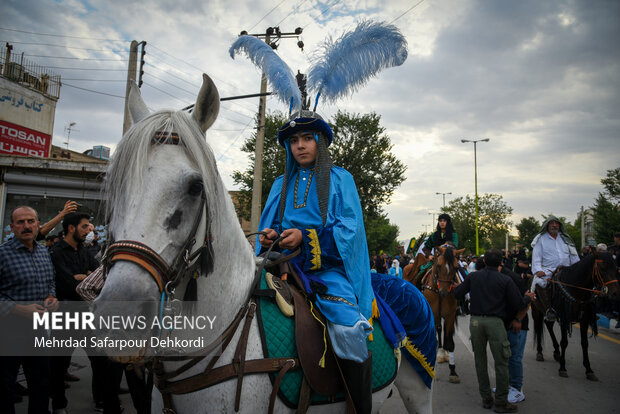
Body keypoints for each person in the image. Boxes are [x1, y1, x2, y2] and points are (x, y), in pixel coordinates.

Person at [257, 110, 373, 413]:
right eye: (293, 140)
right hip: (281, 268)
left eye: (307, 138)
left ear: (320, 142)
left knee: (348, 330)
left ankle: (359, 408)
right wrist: (271, 237)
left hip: (328, 271)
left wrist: (307, 238)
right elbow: (271, 229)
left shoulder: (340, 179)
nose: (300, 145)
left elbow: (350, 232)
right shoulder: (280, 184)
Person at [454, 249, 535, 413]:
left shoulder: (473, 276)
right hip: (496, 323)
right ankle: (501, 402)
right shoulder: (505, 280)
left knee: (480, 360)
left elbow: (457, 293)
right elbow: (519, 304)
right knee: (501, 362)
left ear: (484, 262)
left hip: (476, 322)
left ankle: (485, 398)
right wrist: (528, 297)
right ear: (502, 263)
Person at [0, 206, 59, 414]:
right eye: (20, 222)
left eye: (31, 221)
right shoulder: (3, 254)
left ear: (38, 224)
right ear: (12, 227)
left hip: (39, 329)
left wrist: (52, 297)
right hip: (9, 330)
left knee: (41, 382)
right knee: (5, 385)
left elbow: (50, 281)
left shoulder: (44, 251)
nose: (26, 226)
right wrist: (18, 309)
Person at [49, 212, 103, 413]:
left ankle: (101, 400)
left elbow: (99, 273)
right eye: (85, 226)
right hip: (65, 314)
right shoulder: (56, 252)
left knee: (99, 359)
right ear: (71, 228)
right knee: (59, 363)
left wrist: (86, 278)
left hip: (87, 314)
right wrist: (86, 279)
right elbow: (69, 283)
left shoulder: (84, 251)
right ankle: (59, 405)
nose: (89, 230)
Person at [530, 216, 580, 321]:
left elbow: (574, 256)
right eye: (551, 223)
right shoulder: (541, 239)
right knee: (540, 282)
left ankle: (581, 310)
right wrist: (538, 270)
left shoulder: (566, 239)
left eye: (556, 223)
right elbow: (536, 256)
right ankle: (549, 310)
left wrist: (577, 268)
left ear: (559, 226)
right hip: (548, 270)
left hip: (567, 270)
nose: (554, 225)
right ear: (547, 226)